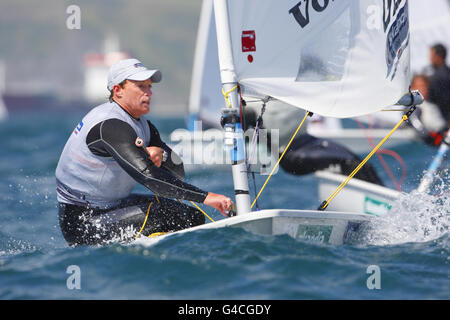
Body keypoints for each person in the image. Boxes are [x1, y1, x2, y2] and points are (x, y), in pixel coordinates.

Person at [56, 58, 233, 246]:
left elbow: (178, 171)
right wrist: (208, 198)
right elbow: (150, 179)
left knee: (192, 216)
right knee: (166, 216)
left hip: (113, 206)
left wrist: (161, 156)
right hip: (83, 223)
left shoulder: (143, 125)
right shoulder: (110, 125)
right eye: (141, 87)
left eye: (149, 87)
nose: (148, 93)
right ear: (117, 90)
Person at [242, 99, 384, 186]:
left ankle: (384, 196)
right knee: (350, 163)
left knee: (362, 164)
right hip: (292, 156)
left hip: (306, 140)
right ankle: (380, 202)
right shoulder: (252, 107)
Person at [408, 73, 448, 146]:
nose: (423, 89)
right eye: (419, 86)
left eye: (424, 86)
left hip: (441, 141)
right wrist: (435, 139)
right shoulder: (414, 107)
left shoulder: (433, 105)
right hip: (427, 145)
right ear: (412, 88)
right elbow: (418, 127)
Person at [428, 43, 450, 126]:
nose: (430, 59)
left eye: (431, 55)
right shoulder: (446, 72)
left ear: (438, 56)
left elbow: (444, 102)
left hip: (443, 122)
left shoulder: (438, 77)